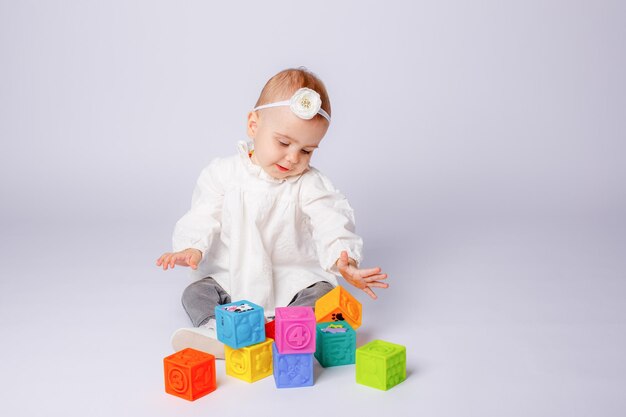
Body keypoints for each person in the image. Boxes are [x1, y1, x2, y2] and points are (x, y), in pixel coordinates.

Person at [156, 67, 388, 358]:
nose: (293, 158)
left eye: (307, 151)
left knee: (323, 293)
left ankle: (288, 329)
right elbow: (204, 214)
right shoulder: (223, 174)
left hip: (292, 278)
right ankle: (216, 328)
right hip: (231, 276)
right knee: (195, 293)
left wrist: (344, 257)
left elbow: (331, 219)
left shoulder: (309, 184)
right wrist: (192, 246)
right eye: (283, 142)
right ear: (254, 125)